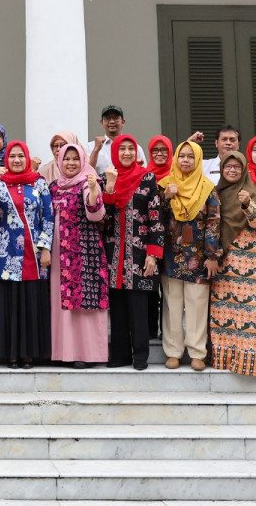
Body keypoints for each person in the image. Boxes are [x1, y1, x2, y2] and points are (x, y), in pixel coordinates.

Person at [0, 140, 53, 368]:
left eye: (21, 156)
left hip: (35, 253)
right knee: (9, 304)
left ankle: (30, 353)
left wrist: (46, 248)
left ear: (28, 158)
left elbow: (49, 218)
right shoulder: (0, 183)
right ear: (6, 159)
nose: (17, 160)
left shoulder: (39, 183)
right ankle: (11, 353)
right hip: (5, 254)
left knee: (31, 302)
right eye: (12, 156)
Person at [101, 134, 165, 370]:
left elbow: (155, 218)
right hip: (113, 252)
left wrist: (153, 254)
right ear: (115, 152)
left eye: (131, 149)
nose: (127, 153)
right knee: (117, 306)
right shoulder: (107, 178)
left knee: (138, 306)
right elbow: (102, 218)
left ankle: (140, 356)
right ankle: (119, 355)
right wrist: (108, 187)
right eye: (122, 149)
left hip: (139, 254)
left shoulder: (147, 178)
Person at [158, 140, 218, 371]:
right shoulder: (165, 185)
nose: (185, 160)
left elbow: (214, 222)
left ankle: (196, 352)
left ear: (198, 160)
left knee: (197, 304)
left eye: (190, 156)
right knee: (172, 304)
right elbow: (154, 218)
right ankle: (173, 351)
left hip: (199, 255)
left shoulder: (207, 188)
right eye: (181, 156)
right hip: (171, 253)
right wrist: (166, 199)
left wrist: (212, 255)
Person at [209, 152, 256, 377]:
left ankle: (250, 363)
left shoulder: (252, 192)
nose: (232, 170)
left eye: (237, 167)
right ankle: (224, 361)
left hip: (250, 264)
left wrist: (248, 204)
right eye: (228, 167)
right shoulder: (217, 192)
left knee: (251, 313)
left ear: (243, 169)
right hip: (224, 260)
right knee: (225, 313)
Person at [48, 143, 107, 368]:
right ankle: (64, 353)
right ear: (60, 161)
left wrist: (93, 191)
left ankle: (87, 354)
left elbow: (96, 214)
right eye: (66, 159)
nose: (71, 163)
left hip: (84, 251)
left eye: (75, 159)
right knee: (61, 305)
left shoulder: (88, 182)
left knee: (84, 304)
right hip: (57, 255)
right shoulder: (53, 186)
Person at [88, 106, 145, 176]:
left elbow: (144, 173)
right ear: (101, 122)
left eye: (116, 118)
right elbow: (86, 172)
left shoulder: (134, 148)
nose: (111, 121)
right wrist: (96, 150)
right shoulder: (91, 147)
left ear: (123, 122)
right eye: (107, 118)